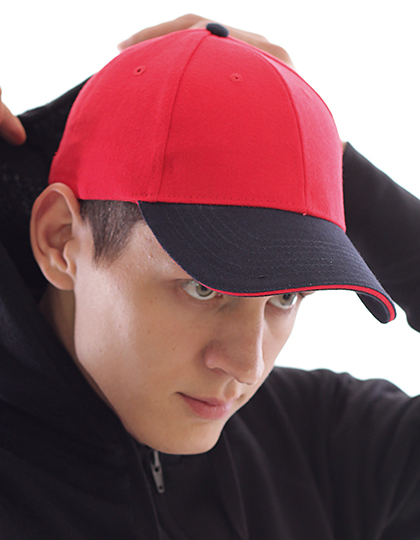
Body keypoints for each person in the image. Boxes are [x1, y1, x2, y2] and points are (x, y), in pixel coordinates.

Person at [0, 14, 419, 540]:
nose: (248, 365)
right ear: (61, 240)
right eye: (204, 287)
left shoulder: (320, 440)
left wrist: (316, 159)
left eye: (287, 296)